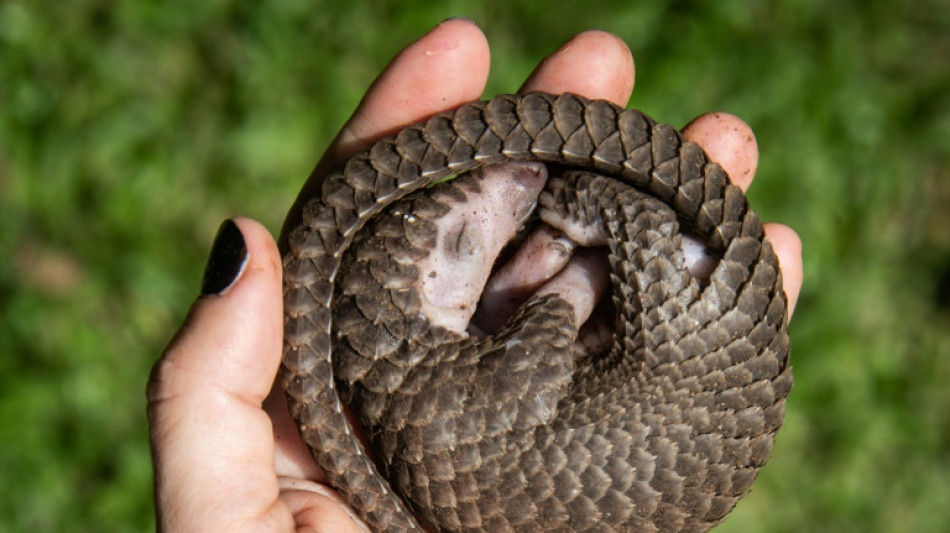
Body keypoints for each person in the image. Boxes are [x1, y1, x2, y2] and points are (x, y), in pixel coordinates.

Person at [147, 19, 804, 532]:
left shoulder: (443, 421)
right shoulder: (454, 416)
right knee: (609, 240)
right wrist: (573, 259)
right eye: (470, 235)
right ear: (435, 288)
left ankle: (616, 220)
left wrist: (563, 262)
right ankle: (619, 213)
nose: (518, 184)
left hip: (669, 390)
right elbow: (549, 322)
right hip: (698, 349)